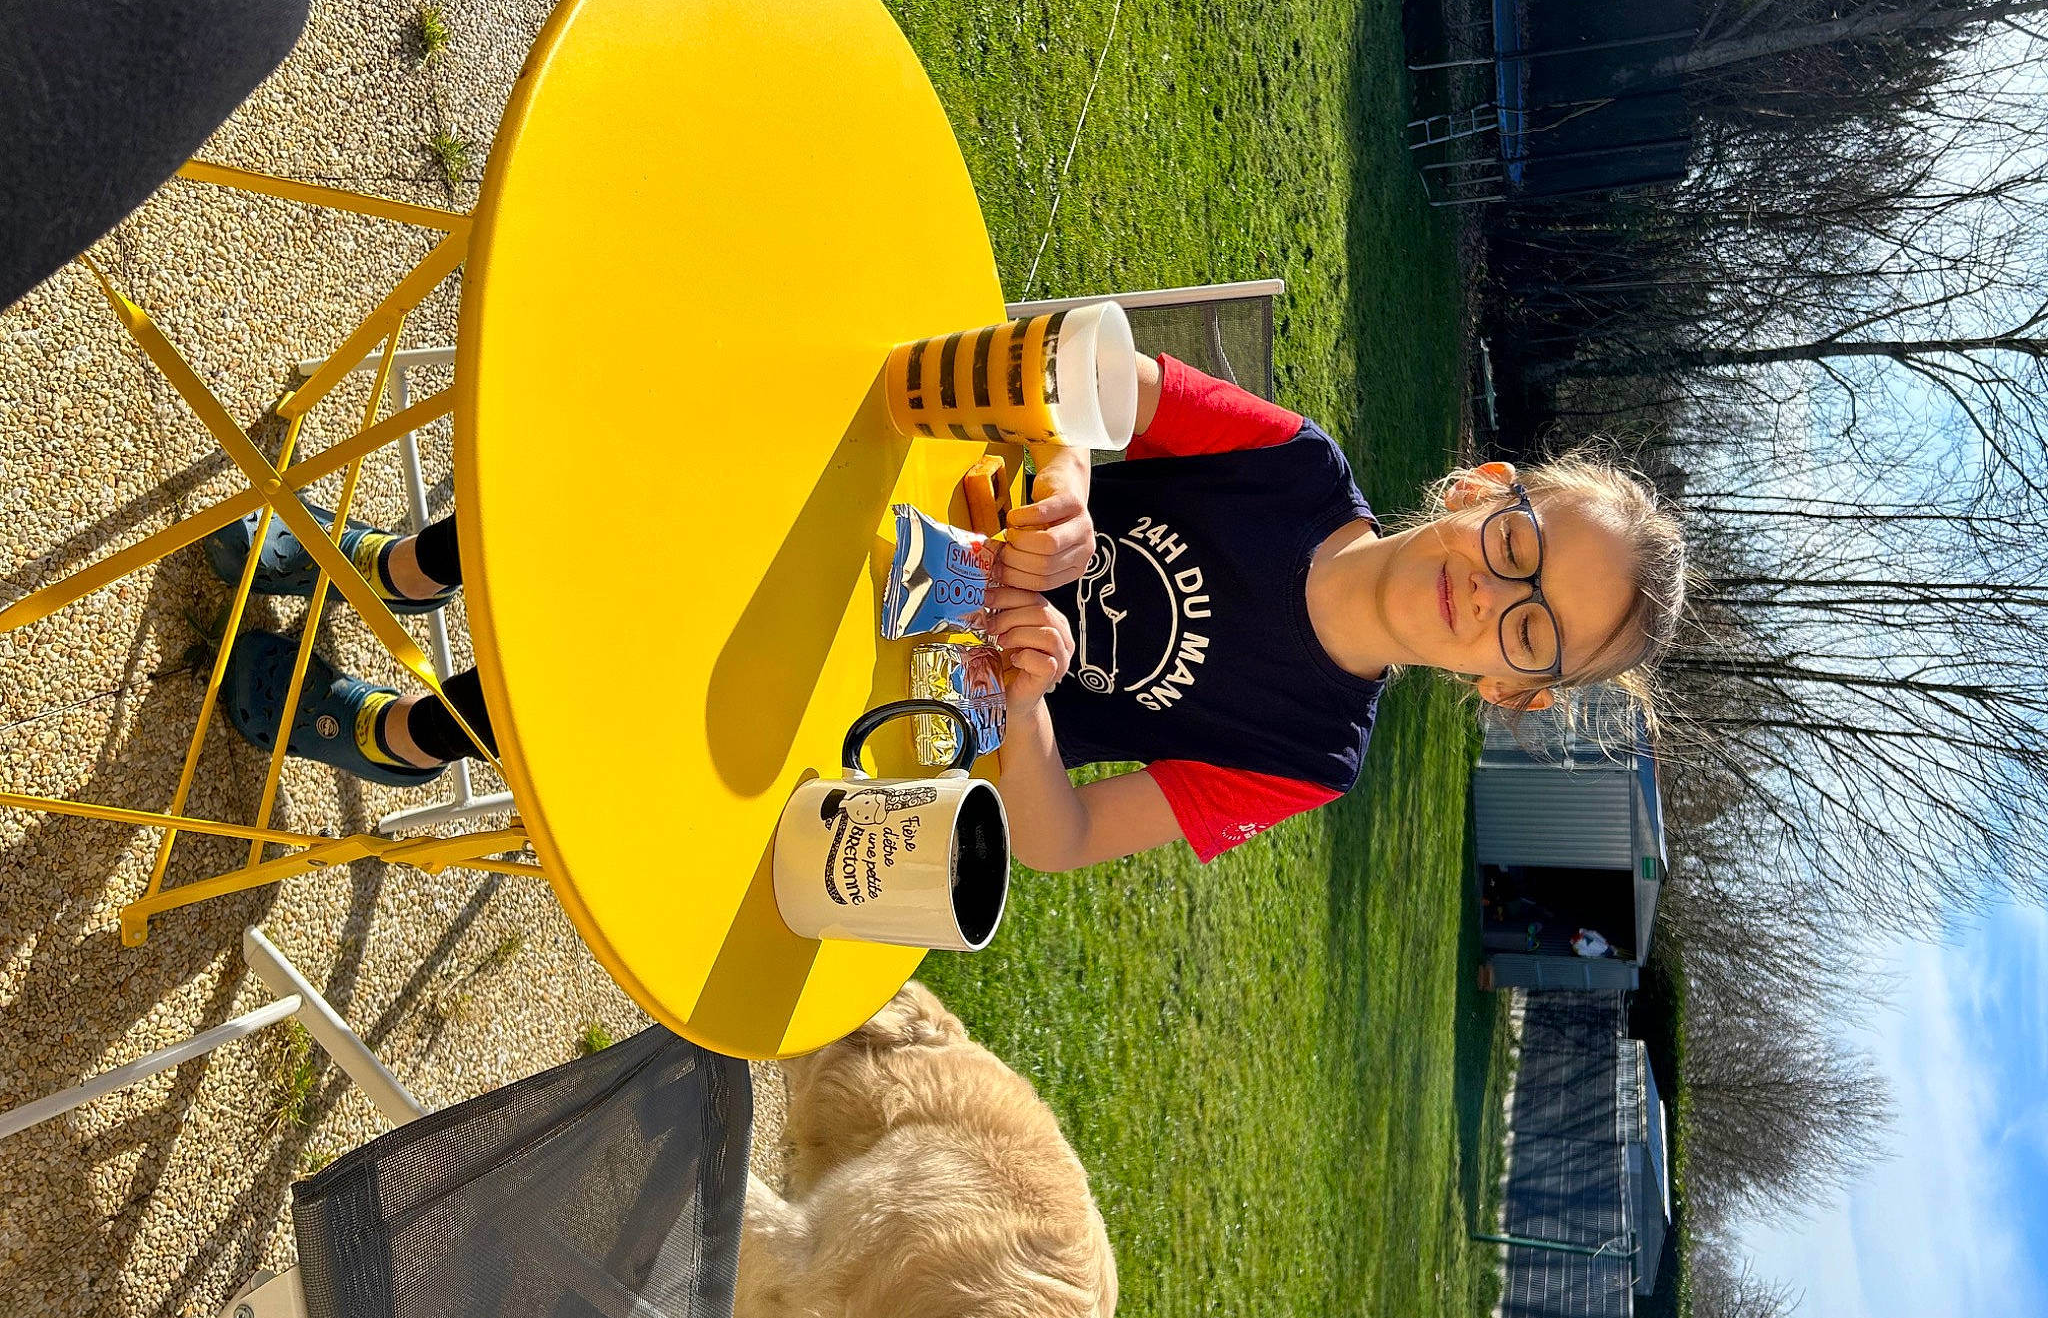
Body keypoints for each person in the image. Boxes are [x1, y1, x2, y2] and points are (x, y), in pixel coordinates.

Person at [212, 353, 1686, 868]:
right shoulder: (1291, 464)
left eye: (1530, 628)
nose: (1488, 590)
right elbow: (1082, 388)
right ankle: (399, 570)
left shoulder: (1310, 754)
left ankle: (407, 731)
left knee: (645, 655)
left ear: (1512, 693)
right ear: (1492, 484)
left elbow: (1051, 838)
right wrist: (1060, 486)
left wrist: (1032, 685)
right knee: (674, 482)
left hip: (889, 694)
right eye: (1520, 543)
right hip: (880, 525)